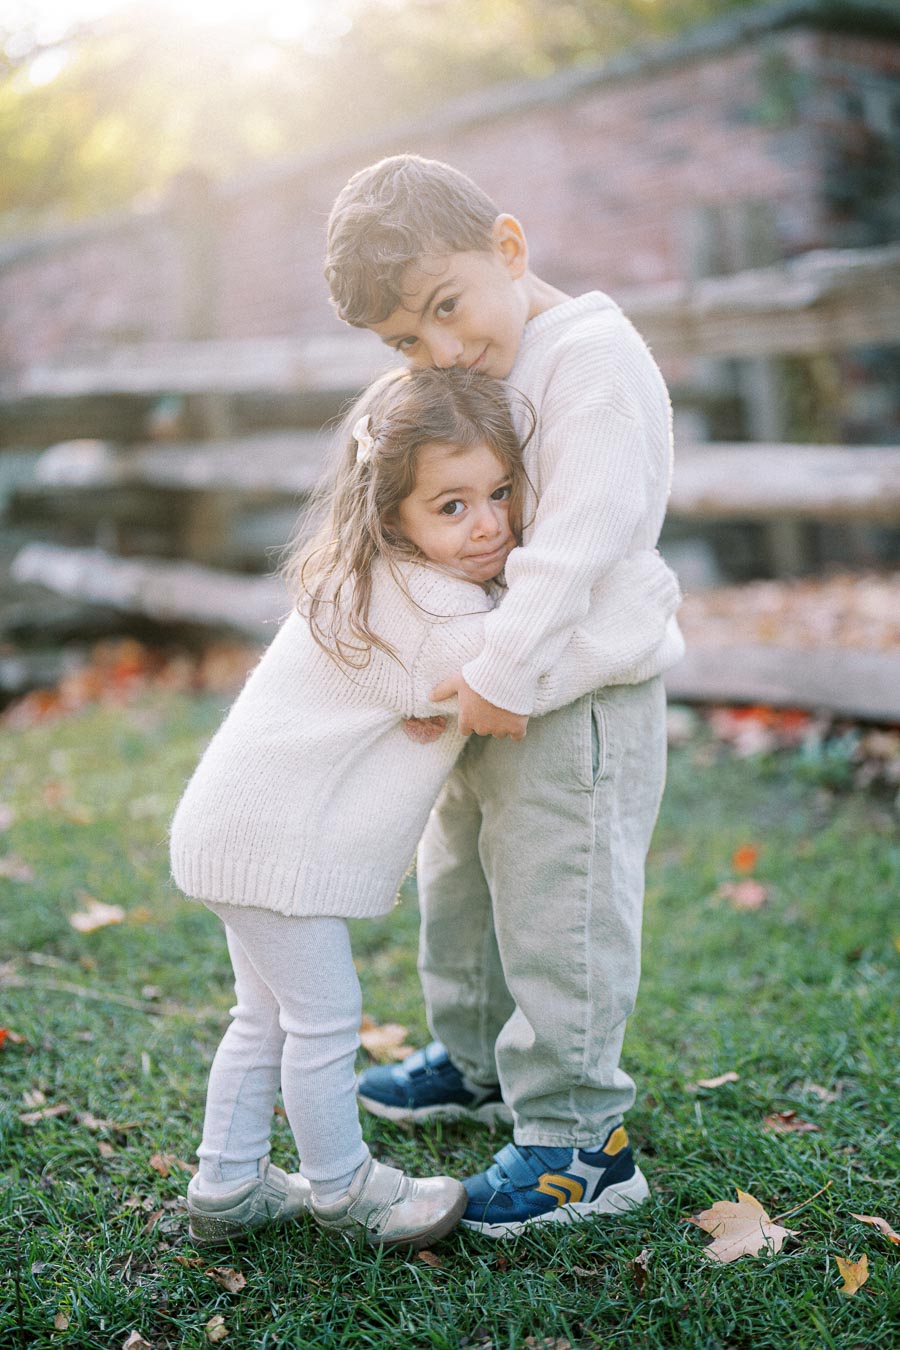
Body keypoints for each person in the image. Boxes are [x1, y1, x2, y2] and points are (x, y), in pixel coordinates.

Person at [170, 366, 674, 1249]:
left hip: (234, 836)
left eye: (501, 493)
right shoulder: (428, 606)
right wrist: (643, 619)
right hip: (276, 851)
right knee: (322, 1021)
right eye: (451, 506)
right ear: (389, 512)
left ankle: (228, 1181)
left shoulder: (372, 581)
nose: (488, 525)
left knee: (262, 1016)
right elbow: (524, 673)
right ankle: (346, 1189)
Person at [325, 154, 686, 1238]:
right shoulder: (485, 364)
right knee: (463, 884)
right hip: (490, 691)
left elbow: (570, 552)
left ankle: (581, 1141)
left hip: (572, 697)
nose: (440, 350)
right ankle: (476, 1059)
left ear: (511, 250)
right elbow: (388, 451)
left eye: (445, 306)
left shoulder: (591, 364)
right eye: (404, 342)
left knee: (556, 908)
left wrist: (498, 674)